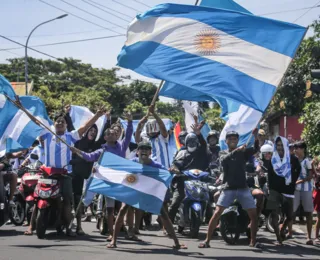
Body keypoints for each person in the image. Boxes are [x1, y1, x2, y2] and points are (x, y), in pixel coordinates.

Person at [24, 109, 104, 236]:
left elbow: (85, 127)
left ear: (66, 126)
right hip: (47, 174)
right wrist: (22, 108)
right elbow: (35, 121)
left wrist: (97, 115)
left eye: (63, 121)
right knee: (38, 197)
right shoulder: (47, 133)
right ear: (54, 124)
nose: (60, 122)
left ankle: (68, 227)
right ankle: (31, 226)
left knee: (67, 201)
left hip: (64, 174)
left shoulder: (70, 136)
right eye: (58, 121)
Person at [106, 141, 187, 250]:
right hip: (134, 192)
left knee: (163, 214)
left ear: (150, 152)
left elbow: (167, 172)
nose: (144, 150)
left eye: (146, 148)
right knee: (122, 209)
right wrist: (98, 170)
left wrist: (173, 171)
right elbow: (116, 169)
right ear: (137, 152)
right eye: (141, 148)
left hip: (149, 193)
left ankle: (176, 243)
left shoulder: (156, 165)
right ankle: (113, 241)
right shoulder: (131, 163)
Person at [71, 112, 133, 242]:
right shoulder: (102, 150)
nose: (113, 135)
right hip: (108, 184)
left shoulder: (122, 147)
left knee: (123, 209)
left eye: (115, 134)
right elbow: (88, 157)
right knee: (109, 210)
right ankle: (111, 233)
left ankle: (128, 230)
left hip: (121, 183)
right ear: (105, 137)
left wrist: (130, 122)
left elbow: (128, 136)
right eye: (109, 133)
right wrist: (77, 151)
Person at [199, 130, 259, 248]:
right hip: (228, 188)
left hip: (243, 188)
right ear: (226, 141)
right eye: (230, 139)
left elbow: (256, 149)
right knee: (216, 213)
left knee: (254, 216)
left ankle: (253, 241)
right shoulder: (222, 153)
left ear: (237, 141)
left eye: (235, 139)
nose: (233, 140)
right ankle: (207, 241)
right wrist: (237, 150)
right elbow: (224, 160)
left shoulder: (243, 152)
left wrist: (255, 136)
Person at [259, 137, 300, 246]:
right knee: (274, 216)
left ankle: (282, 230)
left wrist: (291, 183)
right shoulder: (273, 159)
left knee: (290, 216)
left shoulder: (293, 159)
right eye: (278, 145)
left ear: (285, 146)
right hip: (274, 191)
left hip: (288, 191)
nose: (280, 147)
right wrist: (270, 189)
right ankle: (278, 238)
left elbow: (297, 171)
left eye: (282, 145)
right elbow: (270, 176)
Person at [168, 123, 209, 223]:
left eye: (194, 141)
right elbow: (175, 164)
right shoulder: (182, 152)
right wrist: (175, 169)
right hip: (183, 182)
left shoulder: (201, 152)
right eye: (189, 141)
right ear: (186, 142)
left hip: (200, 183)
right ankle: (167, 226)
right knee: (175, 202)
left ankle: (212, 227)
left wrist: (198, 134)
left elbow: (204, 144)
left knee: (208, 201)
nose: (192, 143)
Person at [293, 141, 314, 245]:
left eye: (297, 148)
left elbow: (310, 176)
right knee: (291, 211)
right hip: (295, 189)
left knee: (308, 213)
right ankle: (288, 232)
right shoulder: (294, 160)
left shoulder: (307, 161)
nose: (295, 150)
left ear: (303, 149)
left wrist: (300, 181)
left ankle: (309, 237)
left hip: (306, 189)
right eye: (295, 148)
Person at [312, 158, 320, 243]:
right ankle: (316, 236)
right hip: (318, 196)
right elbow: (314, 172)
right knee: (319, 217)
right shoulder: (317, 174)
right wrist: (312, 164)